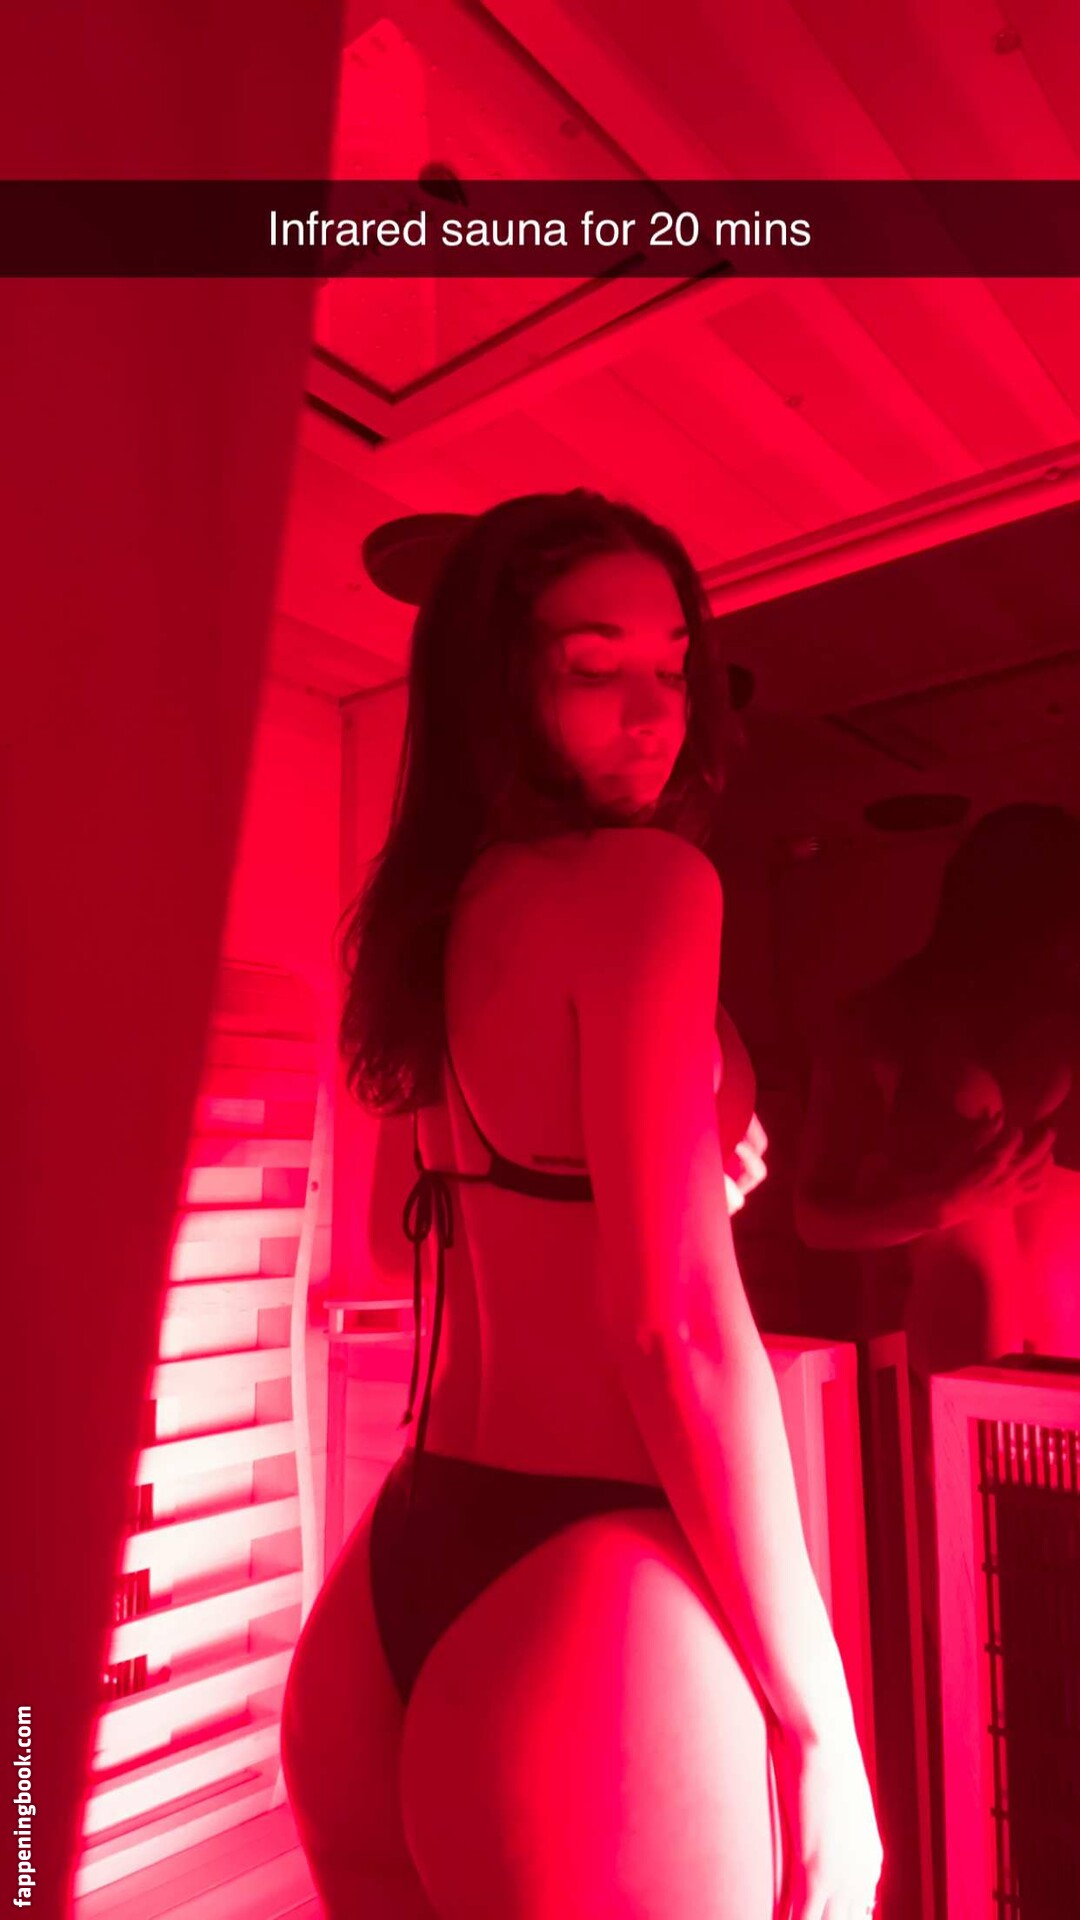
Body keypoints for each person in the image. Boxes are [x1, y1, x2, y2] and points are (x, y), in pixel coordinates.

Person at [281, 489, 882, 1920]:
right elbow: (676, 1334)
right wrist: (824, 1726)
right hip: (587, 1597)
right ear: (498, 684)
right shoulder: (650, 889)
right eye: (592, 666)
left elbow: (396, 1239)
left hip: (394, 1593)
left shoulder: (438, 918)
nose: (656, 712)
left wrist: (671, 1177)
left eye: (673, 665)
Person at [793, 800, 1080, 1907]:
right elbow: (814, 1214)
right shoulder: (880, 1023)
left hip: (1058, 1387)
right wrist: (941, 1200)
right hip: (958, 1398)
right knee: (976, 1674)